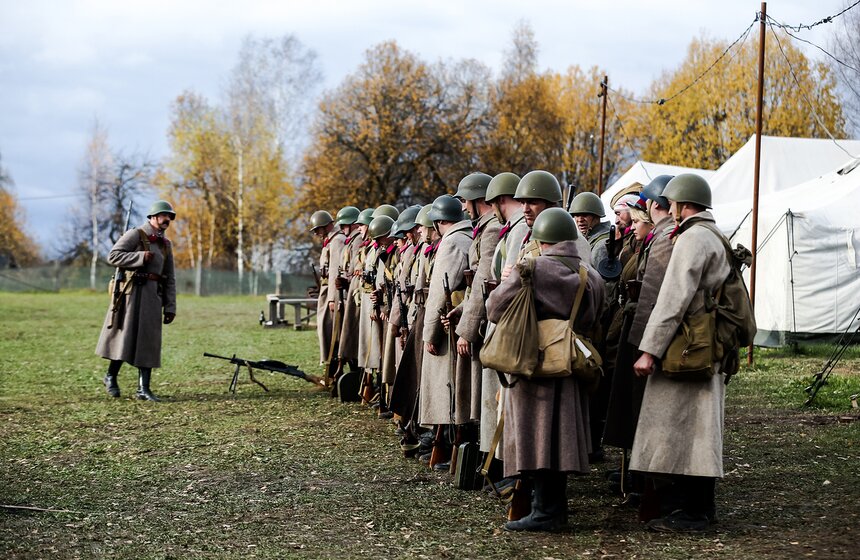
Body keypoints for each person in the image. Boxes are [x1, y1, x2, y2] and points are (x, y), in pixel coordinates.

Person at [486, 207, 605, 532]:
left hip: (531, 362)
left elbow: (495, 308)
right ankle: (554, 508)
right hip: (569, 363)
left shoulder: (532, 268)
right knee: (561, 439)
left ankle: (544, 512)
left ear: (541, 238)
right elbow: (595, 318)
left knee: (534, 438)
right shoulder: (588, 274)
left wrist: (511, 276)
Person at [631, 173, 731, 533]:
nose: (668, 208)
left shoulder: (692, 239)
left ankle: (696, 512)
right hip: (704, 344)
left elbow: (672, 299)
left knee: (691, 430)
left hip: (689, 346)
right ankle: (695, 507)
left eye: (671, 202)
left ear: (681, 204)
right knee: (696, 428)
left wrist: (649, 351)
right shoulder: (713, 234)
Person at [95, 200, 177, 402]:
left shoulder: (166, 245)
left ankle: (143, 389)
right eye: (164, 215)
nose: (167, 219)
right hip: (131, 295)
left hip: (152, 298)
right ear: (153, 217)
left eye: (170, 216)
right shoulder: (135, 234)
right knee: (125, 338)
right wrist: (139, 257)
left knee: (148, 341)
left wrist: (170, 306)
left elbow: (169, 276)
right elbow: (113, 256)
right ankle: (111, 376)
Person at [310, 210, 346, 379]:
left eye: (317, 229)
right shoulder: (330, 241)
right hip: (326, 291)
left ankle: (335, 373)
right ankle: (331, 372)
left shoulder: (337, 241)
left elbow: (335, 272)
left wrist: (333, 298)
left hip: (332, 293)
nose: (316, 232)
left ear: (326, 226)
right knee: (327, 332)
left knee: (332, 333)